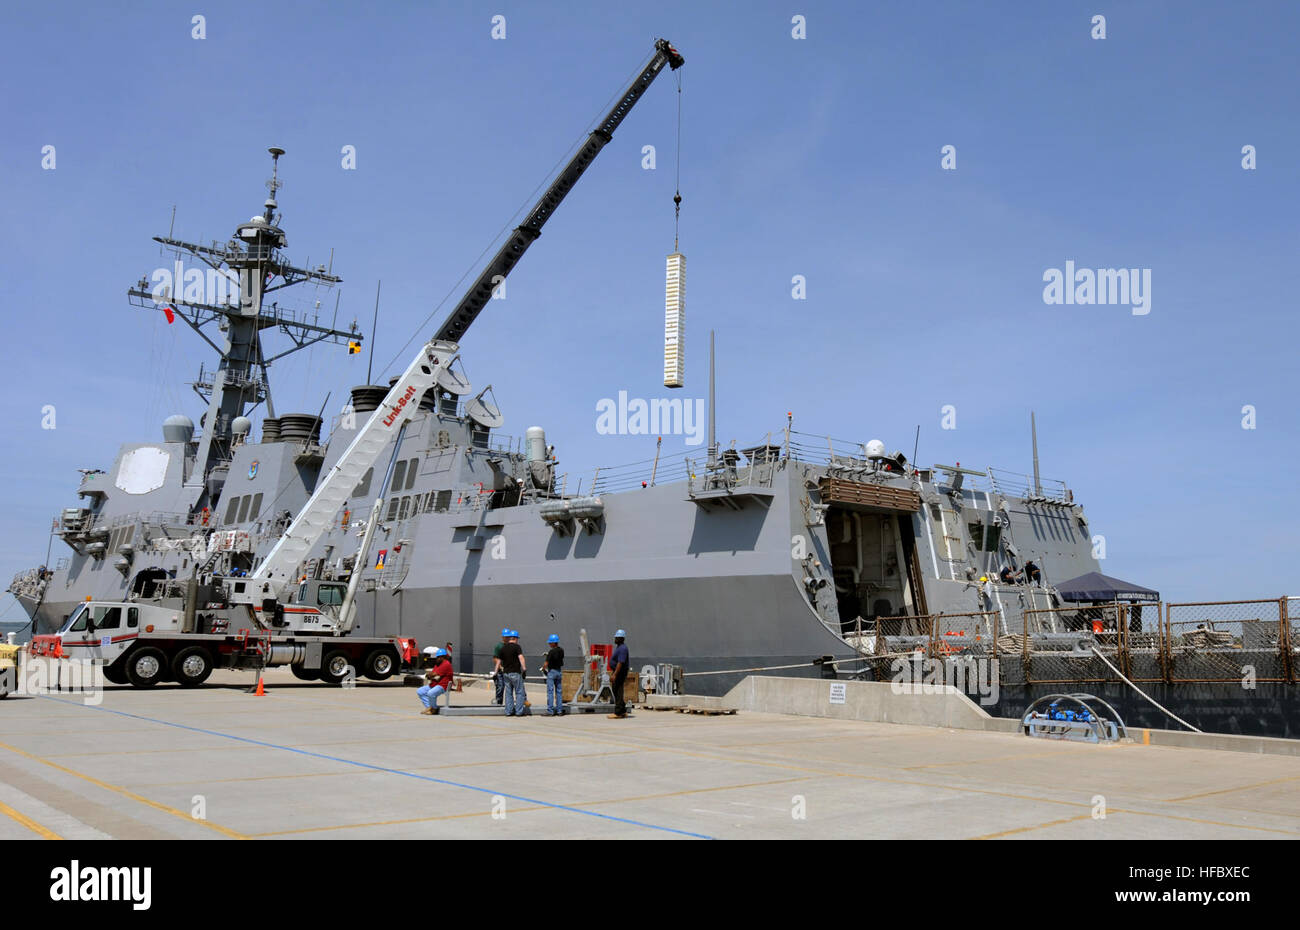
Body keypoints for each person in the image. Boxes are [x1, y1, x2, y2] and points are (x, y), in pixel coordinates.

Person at [418, 648, 454, 715]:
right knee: (420, 691)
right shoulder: (438, 664)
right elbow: (432, 674)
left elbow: (433, 674)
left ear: (443, 657)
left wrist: (430, 675)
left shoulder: (446, 664)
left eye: (438, 657)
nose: (436, 658)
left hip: (443, 686)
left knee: (431, 693)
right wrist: (430, 675)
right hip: (436, 683)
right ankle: (429, 707)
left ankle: (434, 709)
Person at [498, 631, 526, 716]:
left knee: (508, 693)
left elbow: (499, 661)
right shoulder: (517, 647)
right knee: (519, 692)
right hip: (515, 673)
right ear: (515, 638)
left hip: (506, 673)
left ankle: (508, 711)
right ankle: (519, 711)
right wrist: (524, 669)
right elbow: (521, 658)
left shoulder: (503, 648)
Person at [608, 629, 630, 719]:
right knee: (616, 690)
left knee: (618, 691)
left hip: (620, 672)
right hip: (618, 672)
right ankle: (623, 710)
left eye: (616, 638)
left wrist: (615, 674)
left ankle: (618, 713)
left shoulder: (623, 649)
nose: (615, 639)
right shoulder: (620, 647)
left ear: (621, 638)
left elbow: (620, 662)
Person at [542, 633, 564, 716]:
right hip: (559, 671)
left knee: (550, 691)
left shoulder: (551, 652)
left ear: (553, 643)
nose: (549, 644)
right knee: (559, 692)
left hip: (551, 672)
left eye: (550, 642)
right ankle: (559, 711)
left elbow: (546, 663)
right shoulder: (561, 650)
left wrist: (543, 668)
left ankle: (550, 711)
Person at [491, 627, 509, 705]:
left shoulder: (510, 646)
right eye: (505, 637)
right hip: (500, 672)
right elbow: (495, 658)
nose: (507, 638)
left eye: (508, 637)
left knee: (509, 689)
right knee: (500, 687)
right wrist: (500, 667)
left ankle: (509, 705)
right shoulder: (499, 646)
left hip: (509, 670)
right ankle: (498, 703)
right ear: (502, 637)